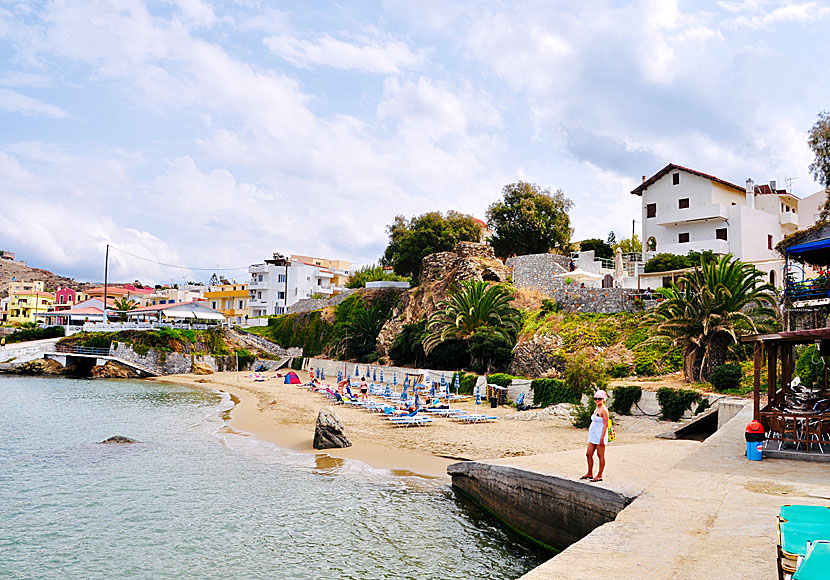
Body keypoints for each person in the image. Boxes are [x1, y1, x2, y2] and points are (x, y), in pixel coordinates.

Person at [581, 390, 609, 483]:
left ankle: (600, 475)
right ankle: (589, 472)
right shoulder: (596, 409)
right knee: (588, 454)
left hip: (600, 434)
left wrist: (602, 437)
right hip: (593, 435)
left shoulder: (604, 410)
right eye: (596, 399)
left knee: (600, 455)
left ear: (603, 399)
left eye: (599, 399)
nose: (597, 400)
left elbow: (606, 424)